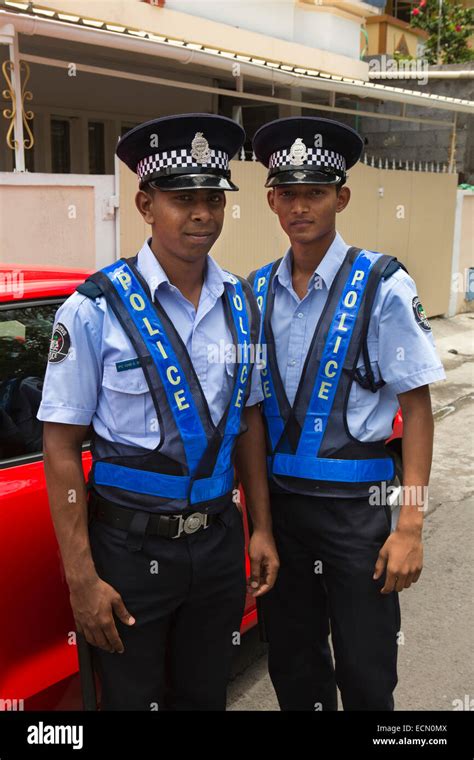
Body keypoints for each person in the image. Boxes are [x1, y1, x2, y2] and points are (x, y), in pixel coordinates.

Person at [38, 113, 279, 711]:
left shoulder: (241, 307)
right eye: (182, 199)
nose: (202, 214)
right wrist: (81, 579)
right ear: (145, 204)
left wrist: (262, 528)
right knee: (131, 702)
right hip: (128, 552)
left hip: (219, 544)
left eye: (212, 199)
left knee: (204, 697)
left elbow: (248, 422)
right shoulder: (93, 311)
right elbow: (61, 447)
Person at [248, 116, 446, 711]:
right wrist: (259, 523)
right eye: (288, 193)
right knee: (295, 670)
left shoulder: (382, 285)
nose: (300, 206)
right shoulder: (254, 292)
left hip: (359, 518)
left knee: (365, 675)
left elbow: (417, 409)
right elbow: (253, 417)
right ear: (271, 201)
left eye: (315, 192)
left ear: (342, 196)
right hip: (283, 512)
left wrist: (409, 526)